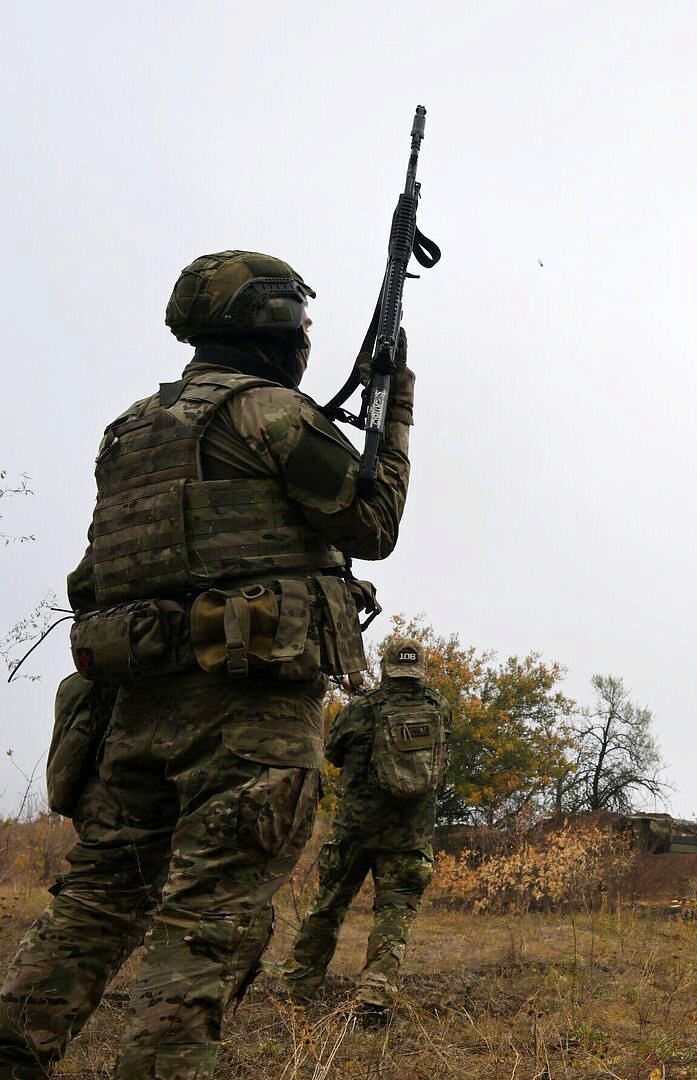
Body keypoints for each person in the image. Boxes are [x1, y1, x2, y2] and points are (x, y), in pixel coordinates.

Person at [0, 250, 414, 1079]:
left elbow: (99, 573)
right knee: (209, 921)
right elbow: (372, 522)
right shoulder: (273, 416)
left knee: (96, 899)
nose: (304, 339)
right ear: (270, 323)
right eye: (299, 322)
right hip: (246, 714)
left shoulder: (132, 430)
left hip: (136, 708)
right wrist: (393, 411)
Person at [282, 635, 449, 1018]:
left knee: (328, 907)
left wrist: (358, 701)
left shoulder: (363, 708)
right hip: (411, 835)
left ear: (387, 666)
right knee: (394, 914)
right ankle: (375, 991)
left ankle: (298, 985)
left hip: (356, 832)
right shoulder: (440, 708)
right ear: (419, 668)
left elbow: (334, 753)